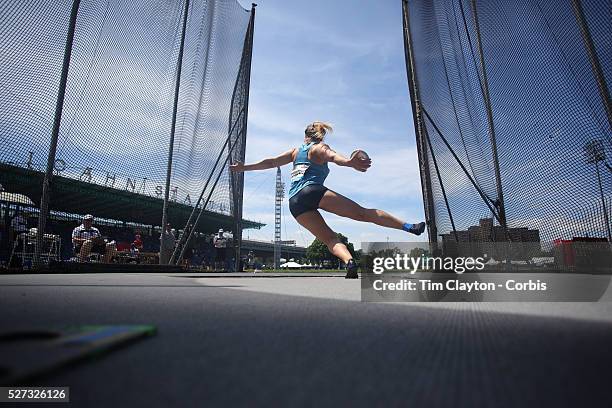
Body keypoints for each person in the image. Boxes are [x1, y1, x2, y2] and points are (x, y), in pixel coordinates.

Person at [230, 121, 426, 279]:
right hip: (312, 191)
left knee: (330, 239)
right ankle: (409, 226)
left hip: (295, 202)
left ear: (304, 136)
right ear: (320, 135)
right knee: (363, 214)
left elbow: (271, 162)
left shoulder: (295, 152)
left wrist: (244, 167)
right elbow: (333, 156)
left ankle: (350, 262)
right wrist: (349, 162)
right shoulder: (318, 148)